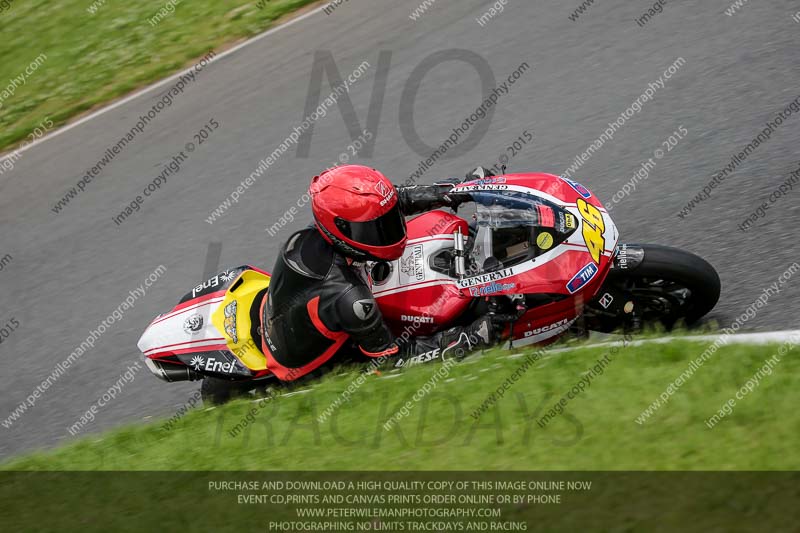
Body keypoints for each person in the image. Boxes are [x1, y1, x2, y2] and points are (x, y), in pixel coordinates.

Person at [259, 164, 499, 381]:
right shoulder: (351, 297)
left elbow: (398, 200)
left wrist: (456, 191)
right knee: (439, 323)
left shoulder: (325, 229)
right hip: (313, 360)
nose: (389, 231)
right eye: (374, 230)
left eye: (387, 222)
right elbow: (390, 360)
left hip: (297, 308)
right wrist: (467, 338)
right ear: (342, 230)